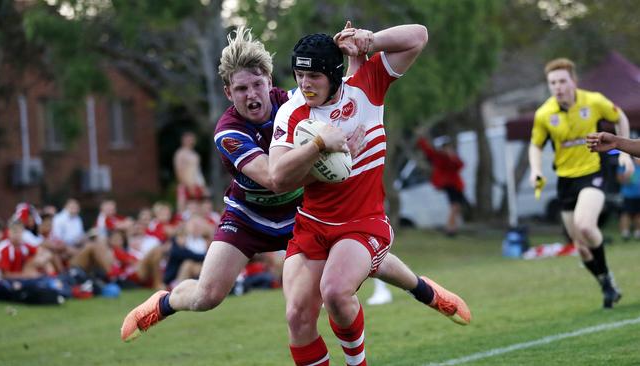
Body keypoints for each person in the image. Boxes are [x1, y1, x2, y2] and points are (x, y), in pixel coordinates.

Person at [120, 25, 470, 347]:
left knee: (366, 257)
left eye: (257, 85)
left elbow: (343, 96)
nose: (251, 95)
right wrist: (327, 154)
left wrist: (358, 51)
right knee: (207, 296)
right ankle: (164, 303)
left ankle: (425, 291)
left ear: (269, 81)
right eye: (241, 89)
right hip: (249, 215)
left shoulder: (295, 100)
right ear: (229, 93)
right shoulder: (229, 133)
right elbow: (275, 179)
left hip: (298, 211)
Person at [268, 24, 470, 365]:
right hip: (313, 226)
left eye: (314, 75)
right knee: (298, 318)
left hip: (363, 221)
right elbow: (278, 178)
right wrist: (320, 147)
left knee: (334, 291)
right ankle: (423, 289)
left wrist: (370, 40)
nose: (304, 84)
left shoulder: (365, 86)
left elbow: (418, 35)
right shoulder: (291, 112)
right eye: (299, 74)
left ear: (334, 74)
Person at [529, 57, 633, 309]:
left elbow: (621, 118)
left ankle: (606, 278)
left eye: (562, 81)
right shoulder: (544, 113)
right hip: (566, 180)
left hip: (594, 172)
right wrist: (536, 170)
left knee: (585, 226)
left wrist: (625, 152)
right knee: (581, 248)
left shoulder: (594, 101)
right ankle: (606, 282)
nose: (558, 86)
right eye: (553, 82)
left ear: (573, 81)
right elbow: (535, 144)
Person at [417, 134, 469, 236]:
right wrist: (421, 139)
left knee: (457, 207)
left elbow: (460, 166)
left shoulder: (453, 157)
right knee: (454, 206)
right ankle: (449, 229)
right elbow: (428, 151)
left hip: (457, 185)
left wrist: (452, 156)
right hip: (449, 185)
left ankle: (453, 227)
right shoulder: (440, 157)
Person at [174, 131, 210, 212]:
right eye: (188, 139)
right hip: (186, 184)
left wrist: (203, 185)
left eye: (192, 139)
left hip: (197, 183)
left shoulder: (195, 154)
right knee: (183, 209)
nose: (190, 141)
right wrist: (187, 184)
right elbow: (179, 170)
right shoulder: (180, 153)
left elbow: (198, 171)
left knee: (199, 207)